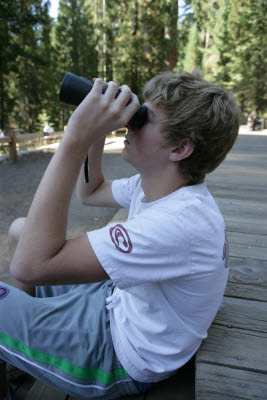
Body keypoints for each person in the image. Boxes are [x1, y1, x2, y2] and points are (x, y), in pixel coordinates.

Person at [0, 70, 240, 400]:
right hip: (120, 303)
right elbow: (91, 191)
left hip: (121, 355)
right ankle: (26, 350)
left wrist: (75, 138)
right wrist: (96, 132)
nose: (130, 123)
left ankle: (27, 343)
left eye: (144, 118)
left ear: (180, 148)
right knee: (19, 230)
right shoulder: (161, 187)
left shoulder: (177, 223)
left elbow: (29, 267)